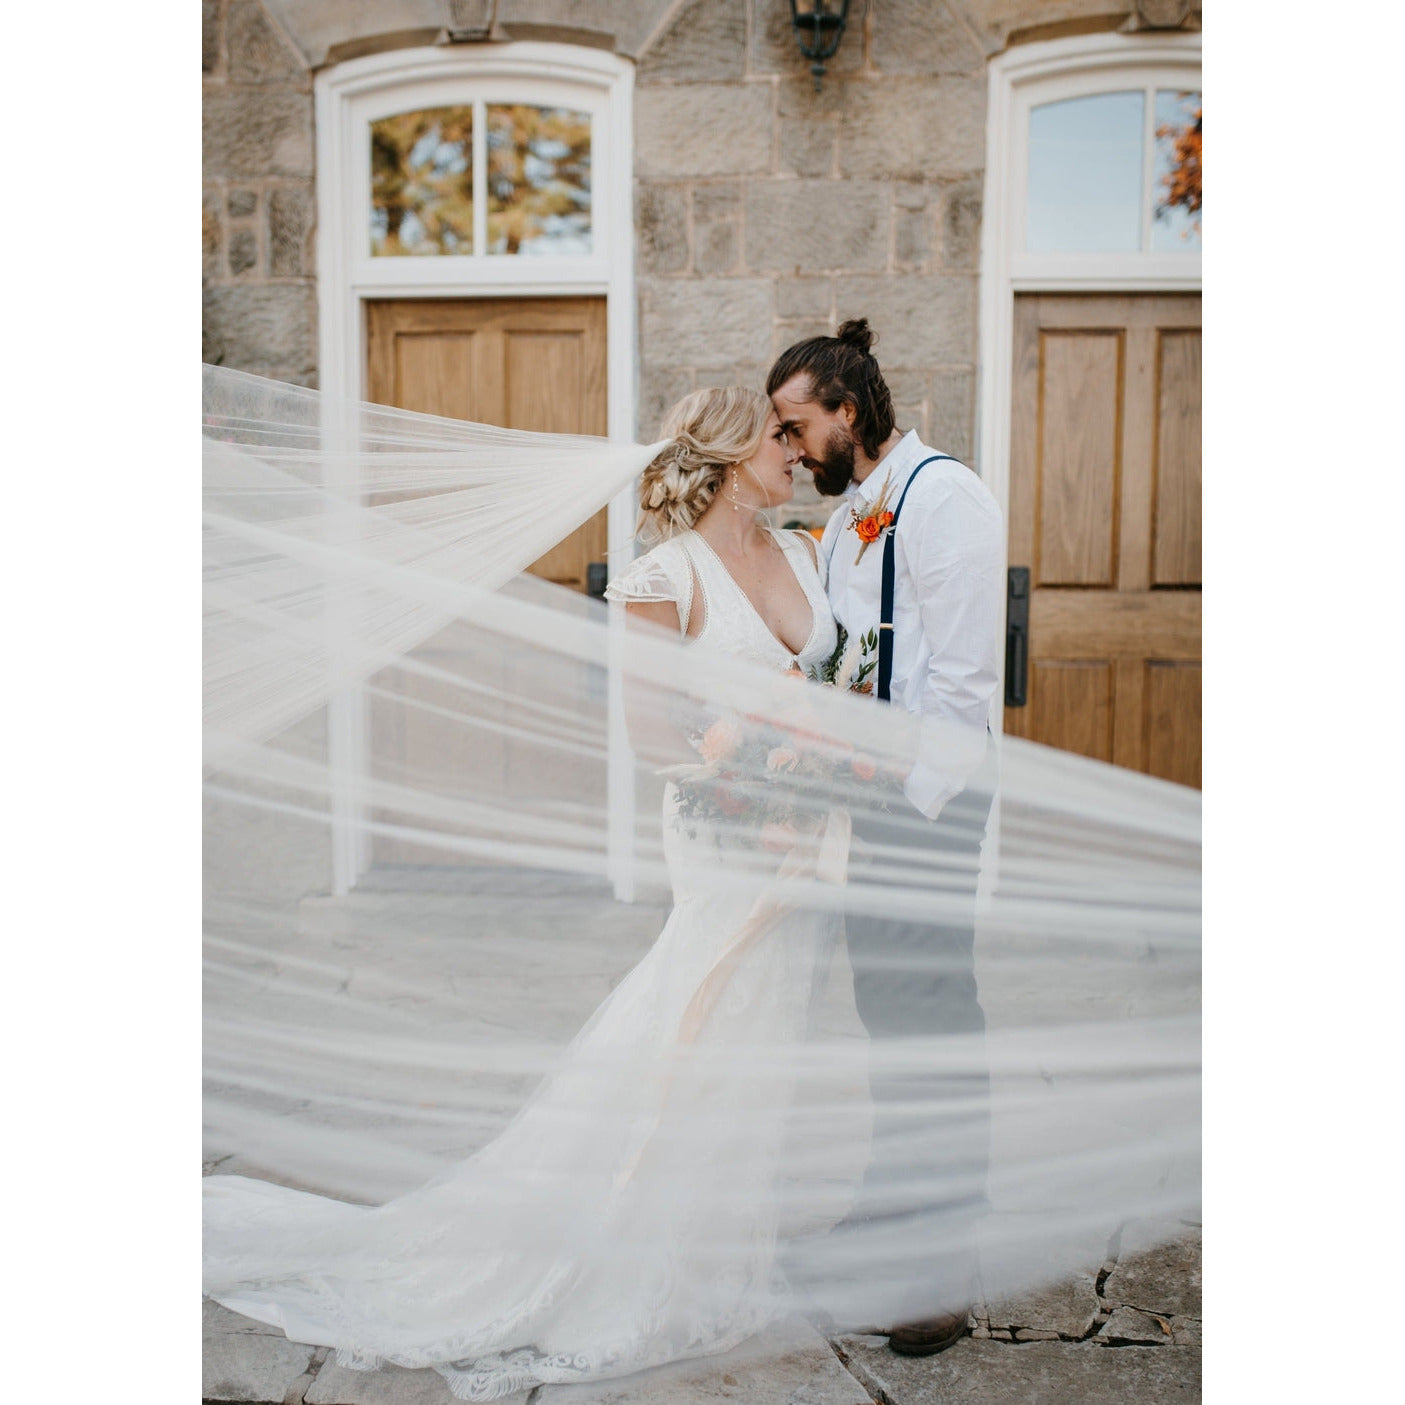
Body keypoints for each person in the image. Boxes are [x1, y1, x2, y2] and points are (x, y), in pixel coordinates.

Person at [204, 386, 856, 1400]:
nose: (798, 450)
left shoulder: (808, 554)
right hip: (725, 831)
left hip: (809, 835)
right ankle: (617, 1259)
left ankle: (721, 1256)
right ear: (731, 455)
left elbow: (837, 693)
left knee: (766, 1035)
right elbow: (650, 730)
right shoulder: (665, 573)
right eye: (779, 435)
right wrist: (753, 788)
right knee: (699, 1021)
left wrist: (820, 774)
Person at [768, 318, 1005, 1356]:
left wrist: (908, 799)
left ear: (847, 410)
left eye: (795, 426)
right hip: (869, 799)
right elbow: (847, 661)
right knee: (886, 1016)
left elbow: (961, 678)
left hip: (928, 801)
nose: (788, 447)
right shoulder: (845, 519)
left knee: (934, 1022)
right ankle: (887, 1204)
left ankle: (940, 1261)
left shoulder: (945, 498)